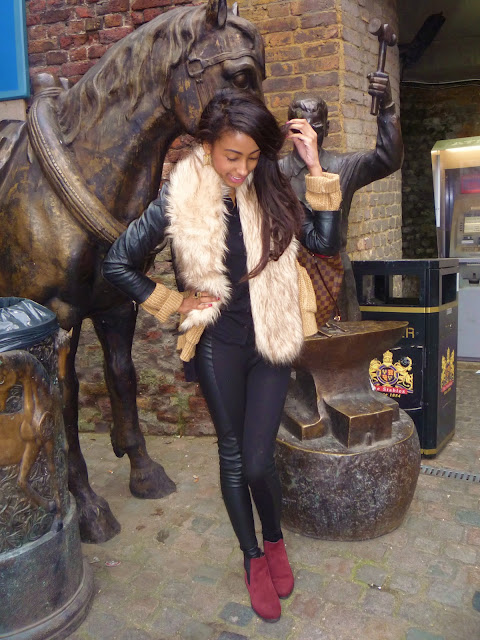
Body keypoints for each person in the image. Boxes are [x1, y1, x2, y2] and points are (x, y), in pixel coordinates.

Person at [102, 88, 341, 622]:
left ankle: (274, 540)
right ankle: (252, 557)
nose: (241, 169)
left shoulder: (270, 186)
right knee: (233, 455)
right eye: (232, 156)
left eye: (252, 157)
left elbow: (324, 243)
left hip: (271, 337)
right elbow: (117, 264)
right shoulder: (179, 194)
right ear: (208, 144)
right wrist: (174, 301)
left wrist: (314, 167)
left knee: (259, 460)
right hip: (219, 345)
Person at [279, 71, 403, 320]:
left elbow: (388, 159)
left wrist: (387, 107)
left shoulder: (343, 166)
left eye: (316, 129)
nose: (309, 138)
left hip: (335, 277)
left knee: (342, 341)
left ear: (327, 129)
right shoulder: (276, 172)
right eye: (302, 130)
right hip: (289, 278)